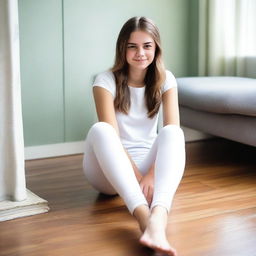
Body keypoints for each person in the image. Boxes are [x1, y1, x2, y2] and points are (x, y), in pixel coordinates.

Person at [83, 16, 185, 256]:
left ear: (156, 48)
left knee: (174, 132)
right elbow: (114, 139)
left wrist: (151, 175)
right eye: (133, 46)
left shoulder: (166, 80)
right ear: (123, 49)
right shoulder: (104, 81)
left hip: (147, 168)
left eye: (147, 46)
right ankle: (142, 218)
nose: (140, 53)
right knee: (101, 130)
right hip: (108, 172)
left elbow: (172, 127)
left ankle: (158, 221)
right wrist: (138, 178)